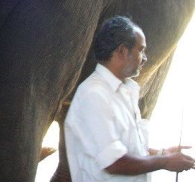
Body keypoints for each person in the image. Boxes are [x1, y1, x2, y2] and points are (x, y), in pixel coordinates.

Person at [64, 15, 194, 181]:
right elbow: (114, 162)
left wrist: (162, 153)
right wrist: (164, 161)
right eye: (141, 50)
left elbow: (127, 149)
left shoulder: (125, 91)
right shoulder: (94, 95)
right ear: (122, 51)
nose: (145, 58)